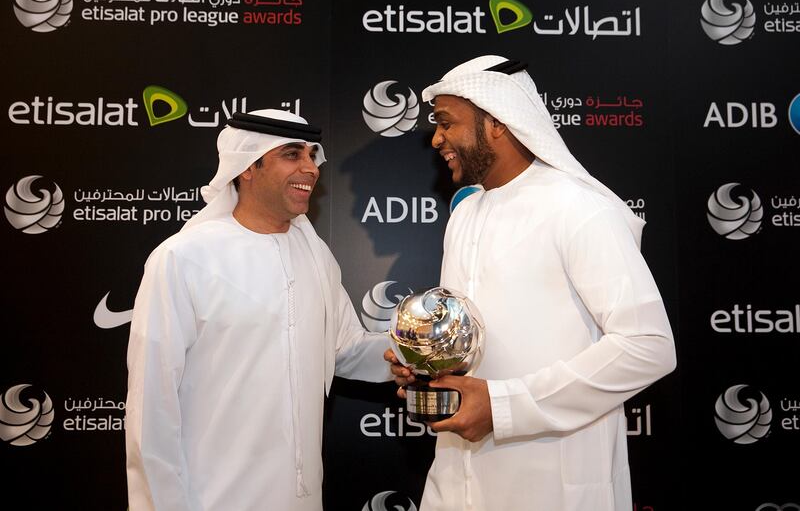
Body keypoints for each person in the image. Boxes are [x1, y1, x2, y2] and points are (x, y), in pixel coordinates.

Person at [385, 56, 676, 510]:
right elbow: (472, 345)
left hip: (552, 488)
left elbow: (648, 346)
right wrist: (425, 369)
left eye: (446, 123)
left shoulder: (577, 208)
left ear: (497, 123)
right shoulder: (464, 213)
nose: (436, 138)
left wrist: (504, 406)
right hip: (456, 481)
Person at [126, 109, 390, 511]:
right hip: (210, 500)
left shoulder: (315, 254)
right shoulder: (185, 258)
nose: (311, 168)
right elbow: (152, 409)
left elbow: (342, 348)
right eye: (292, 155)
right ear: (247, 167)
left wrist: (419, 351)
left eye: (311, 155)